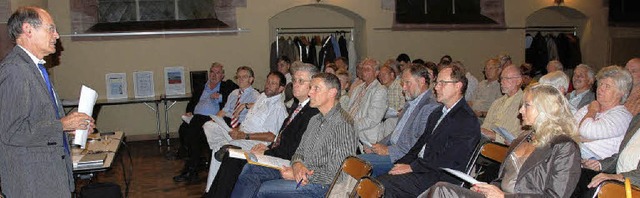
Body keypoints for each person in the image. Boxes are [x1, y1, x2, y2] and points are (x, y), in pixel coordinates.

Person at [0, 6, 95, 197]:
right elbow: (12, 132)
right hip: (32, 185)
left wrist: (70, 129)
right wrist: (62, 124)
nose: (57, 35)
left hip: (48, 180)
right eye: (51, 28)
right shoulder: (15, 70)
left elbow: (38, 126)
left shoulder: (35, 69)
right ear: (28, 30)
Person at [424, 84, 582, 198]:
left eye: (526, 106)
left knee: (441, 191)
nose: (520, 111)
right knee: (442, 190)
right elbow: (504, 180)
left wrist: (503, 196)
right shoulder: (523, 138)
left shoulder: (564, 147)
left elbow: (555, 196)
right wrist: (489, 188)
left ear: (545, 110)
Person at [230, 73, 357, 197]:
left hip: (321, 185)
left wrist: (301, 175)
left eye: (316, 89)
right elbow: (299, 151)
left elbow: (339, 174)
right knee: (251, 170)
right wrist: (297, 165)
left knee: (265, 189)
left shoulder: (343, 124)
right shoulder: (315, 119)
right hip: (301, 172)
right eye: (311, 87)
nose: (310, 93)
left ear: (332, 93)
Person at [204, 64, 320, 197]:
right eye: (294, 80)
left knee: (242, 164)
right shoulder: (297, 107)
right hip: (273, 150)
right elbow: (282, 138)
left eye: (301, 81)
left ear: (313, 85)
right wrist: (267, 148)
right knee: (229, 155)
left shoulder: (311, 112)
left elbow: (291, 147)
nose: (295, 84)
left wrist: (267, 150)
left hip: (285, 160)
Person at [376, 65, 481, 198]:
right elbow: (419, 145)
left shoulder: (466, 120)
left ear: (458, 86)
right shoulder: (437, 113)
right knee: (381, 179)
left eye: (442, 83)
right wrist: (402, 163)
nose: (436, 87)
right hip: (424, 169)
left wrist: (413, 167)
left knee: (383, 185)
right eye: (437, 83)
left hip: (440, 178)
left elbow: (449, 160)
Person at [174, 66, 260, 182]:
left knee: (197, 128)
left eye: (244, 77)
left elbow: (261, 109)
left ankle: (194, 168)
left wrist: (244, 107)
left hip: (239, 124)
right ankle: (199, 165)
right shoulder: (234, 93)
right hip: (226, 121)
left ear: (251, 79)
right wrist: (213, 120)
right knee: (201, 127)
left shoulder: (255, 95)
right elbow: (223, 111)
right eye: (238, 77)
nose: (240, 79)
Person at [203, 71, 288, 186]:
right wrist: (237, 129)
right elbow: (248, 119)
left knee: (221, 151)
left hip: (255, 142)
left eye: (273, 83)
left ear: (281, 88)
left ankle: (226, 149)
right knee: (209, 126)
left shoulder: (278, 108)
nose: (268, 85)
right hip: (242, 134)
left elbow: (271, 137)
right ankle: (212, 188)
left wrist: (244, 136)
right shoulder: (263, 97)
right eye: (267, 81)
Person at [358, 64, 440, 177]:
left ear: (421, 81)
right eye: (403, 83)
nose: (404, 88)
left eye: (407, 83)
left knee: (356, 162)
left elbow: (417, 142)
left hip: (402, 157)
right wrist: (376, 146)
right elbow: (396, 133)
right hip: (393, 150)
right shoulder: (410, 102)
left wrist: (388, 150)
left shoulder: (430, 106)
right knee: (357, 162)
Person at [174, 62, 237, 160]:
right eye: (212, 72)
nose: (214, 75)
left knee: (193, 130)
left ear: (222, 76)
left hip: (212, 118)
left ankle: (192, 165)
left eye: (218, 73)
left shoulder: (227, 86)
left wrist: (220, 97)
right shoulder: (201, 87)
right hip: (195, 117)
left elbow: (235, 97)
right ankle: (192, 157)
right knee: (183, 129)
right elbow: (192, 102)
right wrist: (189, 111)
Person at [575, 114, 640, 197]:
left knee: (594, 188)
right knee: (577, 175)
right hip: (619, 178)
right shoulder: (637, 119)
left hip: (633, 186)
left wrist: (617, 177)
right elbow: (620, 155)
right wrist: (599, 164)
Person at [575, 66, 633, 159]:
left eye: (607, 86)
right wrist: (583, 138)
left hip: (597, 163)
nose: (600, 89)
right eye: (600, 84)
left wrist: (592, 111)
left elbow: (585, 130)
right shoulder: (588, 107)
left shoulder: (622, 116)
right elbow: (569, 129)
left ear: (621, 92)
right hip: (577, 155)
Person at [348, 58, 388, 147]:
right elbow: (350, 110)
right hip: (351, 134)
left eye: (367, 69)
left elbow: (372, 119)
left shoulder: (380, 90)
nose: (363, 72)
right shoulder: (358, 88)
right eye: (362, 69)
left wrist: (350, 126)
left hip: (367, 138)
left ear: (376, 73)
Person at [481, 65, 524, 144]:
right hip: (487, 143)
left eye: (506, 78)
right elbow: (485, 126)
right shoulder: (497, 102)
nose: (501, 82)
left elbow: (518, 138)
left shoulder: (525, 103)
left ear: (518, 81)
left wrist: (494, 136)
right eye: (501, 78)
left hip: (506, 149)